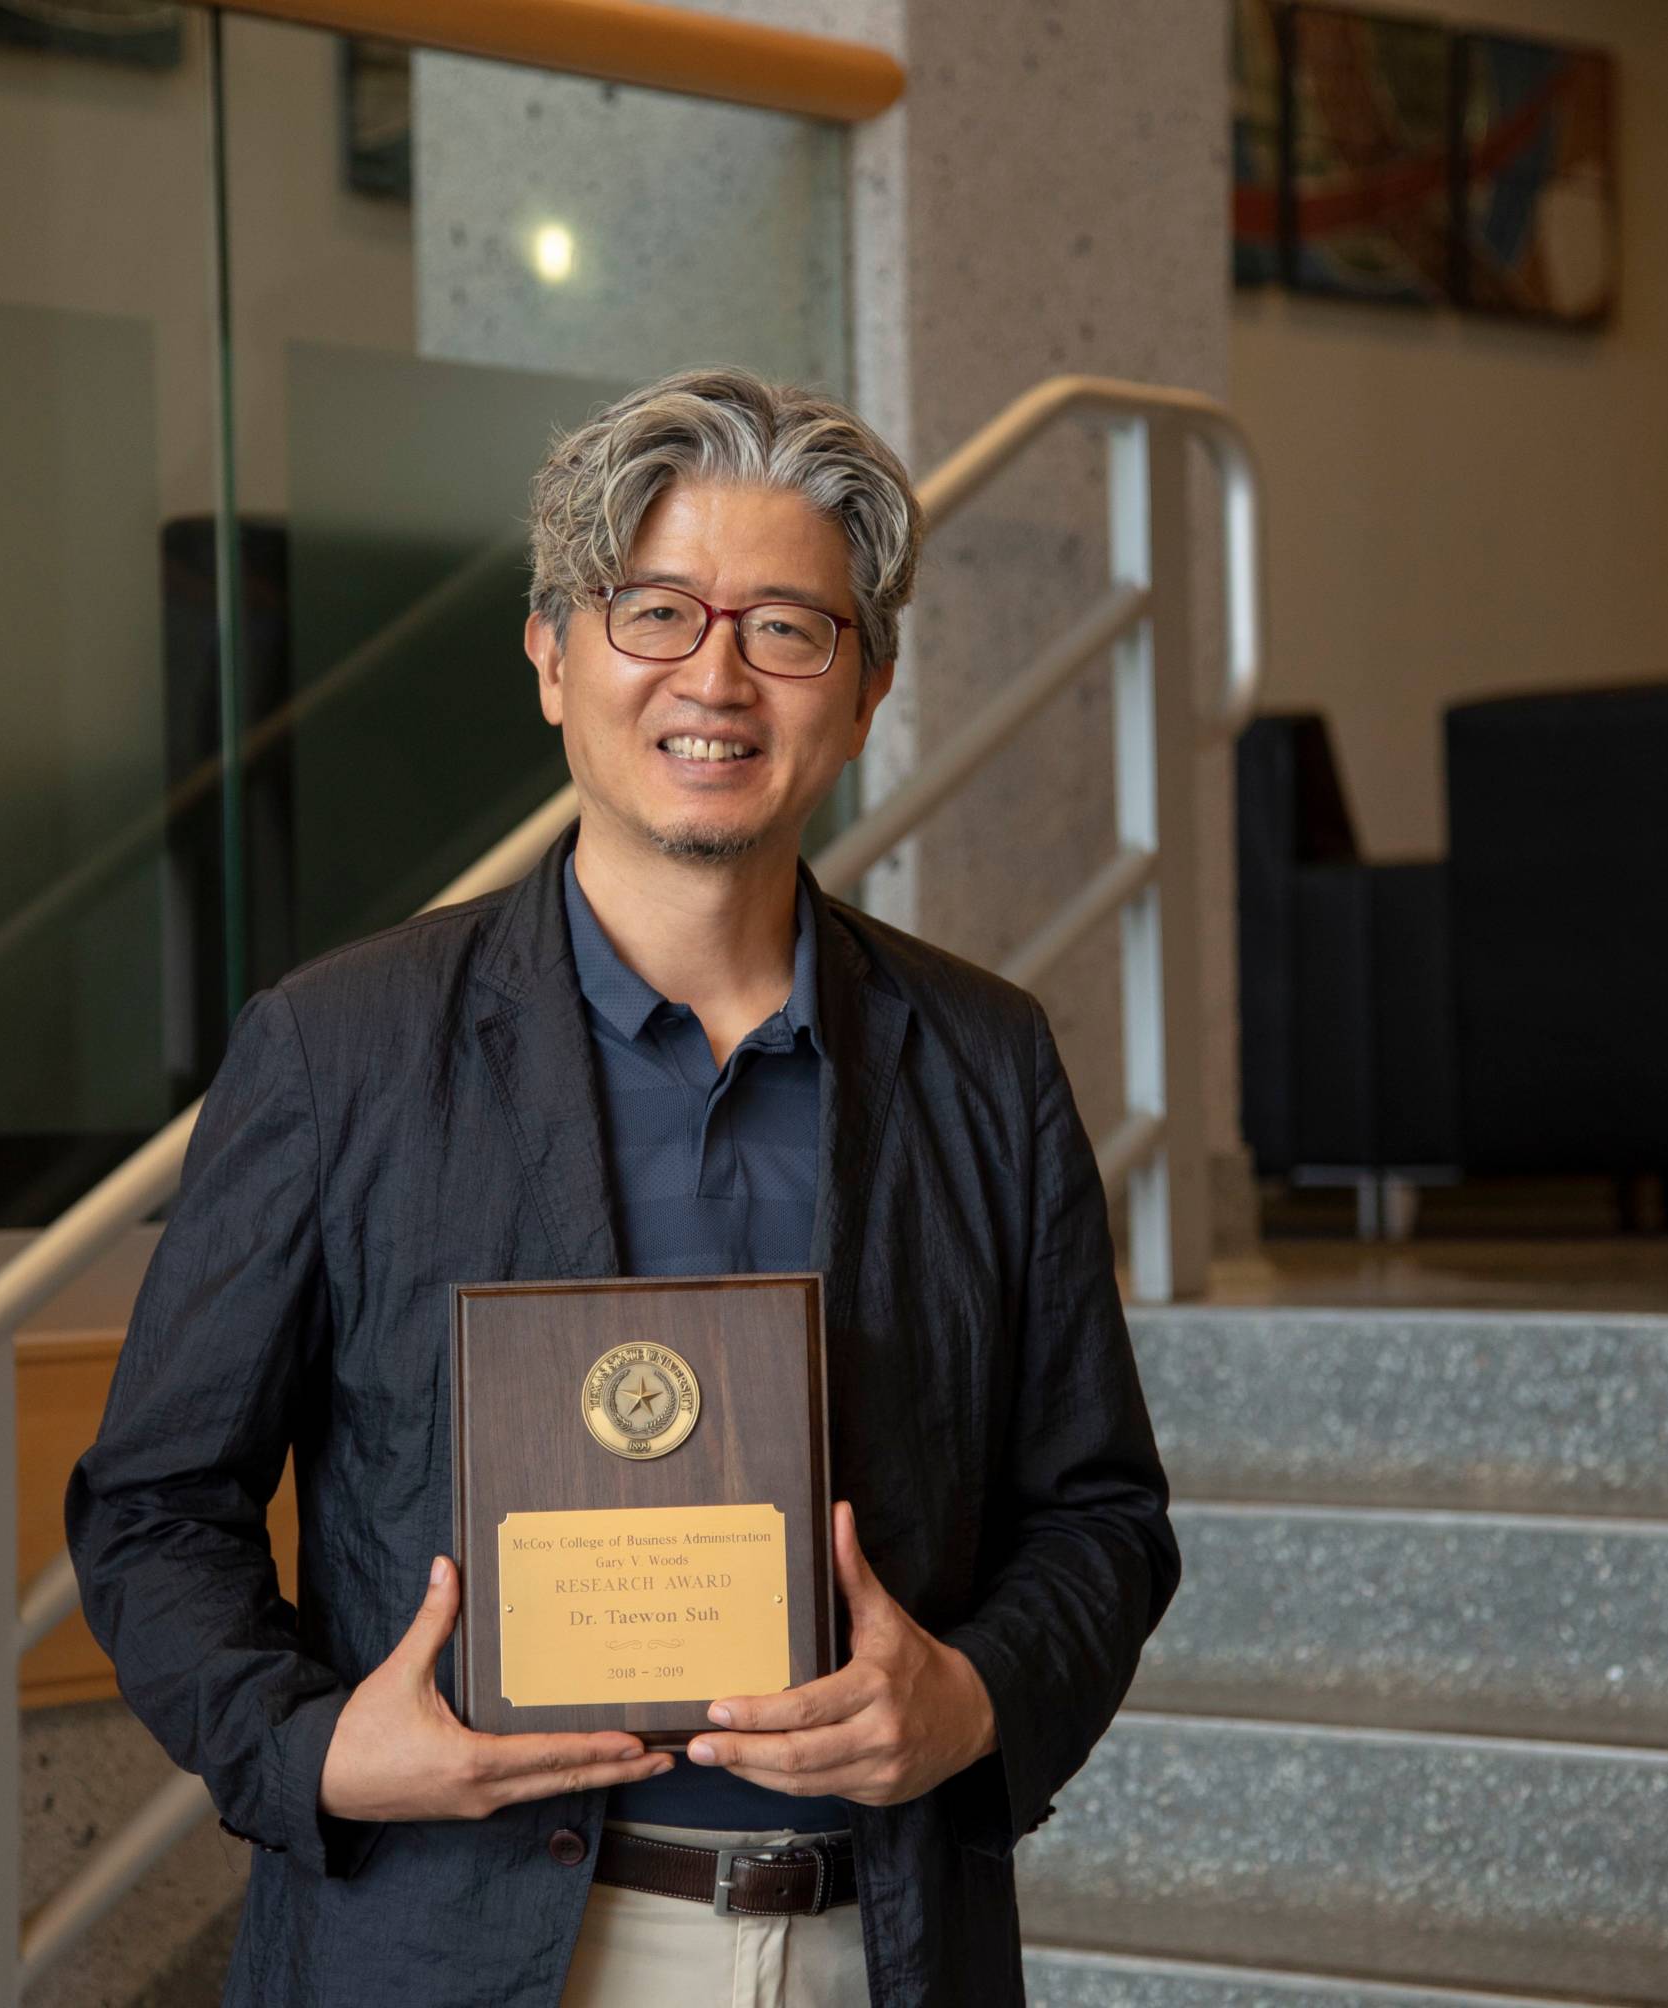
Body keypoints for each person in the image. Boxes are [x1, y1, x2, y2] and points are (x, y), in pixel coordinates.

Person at [67, 366, 1176, 2007]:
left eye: (788, 628)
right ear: (551, 654)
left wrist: (971, 1697)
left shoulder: (986, 1059)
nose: (714, 676)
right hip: (450, 1944)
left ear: (865, 694)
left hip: (875, 1944)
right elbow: (156, 1506)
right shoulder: (336, 1050)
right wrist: (312, 1745)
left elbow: (1100, 1514)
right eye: (656, 610)